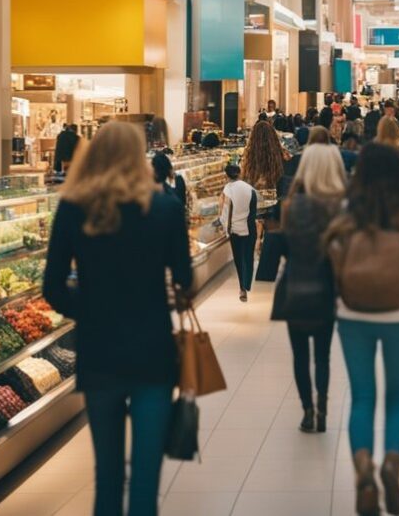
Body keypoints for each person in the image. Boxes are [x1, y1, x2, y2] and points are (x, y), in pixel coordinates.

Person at [42, 122, 192, 516]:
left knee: (107, 474)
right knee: (145, 477)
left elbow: (53, 288)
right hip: (153, 352)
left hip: (99, 352)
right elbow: (185, 280)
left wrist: (90, 307)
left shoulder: (73, 208)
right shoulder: (164, 209)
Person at [325, 144, 399, 516]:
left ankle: (362, 468)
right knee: (396, 398)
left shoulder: (349, 207)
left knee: (361, 397)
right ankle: (392, 463)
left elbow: (332, 253)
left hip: (353, 312)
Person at [273, 145, 345, 435]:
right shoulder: (338, 206)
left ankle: (307, 410)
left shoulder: (291, 206)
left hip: (295, 285)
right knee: (323, 355)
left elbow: (286, 247)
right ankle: (323, 410)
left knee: (300, 354)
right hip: (325, 286)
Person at [221, 163, 259, 302]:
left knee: (238, 258)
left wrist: (225, 228)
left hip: (235, 230)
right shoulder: (250, 189)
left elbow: (225, 211)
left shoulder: (227, 190)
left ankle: (242, 288)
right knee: (248, 256)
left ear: (227, 175)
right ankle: (247, 283)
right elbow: (254, 211)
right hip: (249, 228)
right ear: (240, 172)